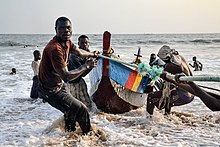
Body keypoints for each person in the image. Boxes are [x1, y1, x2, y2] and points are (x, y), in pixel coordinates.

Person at [38, 16, 99, 134]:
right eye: (62, 28)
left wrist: (92, 54)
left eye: (68, 28)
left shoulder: (68, 42)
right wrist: (86, 66)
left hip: (59, 85)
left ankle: (69, 136)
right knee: (81, 109)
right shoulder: (55, 49)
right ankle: (90, 136)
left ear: (72, 30)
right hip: (49, 91)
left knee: (71, 111)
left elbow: (80, 53)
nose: (66, 30)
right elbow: (66, 76)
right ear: (55, 29)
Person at [146, 45, 194, 115]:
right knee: (167, 93)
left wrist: (159, 69)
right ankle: (167, 116)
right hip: (191, 95)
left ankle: (148, 120)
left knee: (151, 96)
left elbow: (178, 68)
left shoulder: (173, 64)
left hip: (182, 96)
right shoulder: (180, 58)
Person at [65, 35, 93, 110]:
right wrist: (91, 66)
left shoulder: (88, 52)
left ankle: (93, 120)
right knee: (74, 107)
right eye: (82, 43)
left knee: (88, 105)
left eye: (86, 43)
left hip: (79, 81)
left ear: (88, 43)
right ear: (78, 44)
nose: (84, 45)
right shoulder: (74, 55)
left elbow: (92, 57)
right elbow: (83, 73)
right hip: (71, 83)